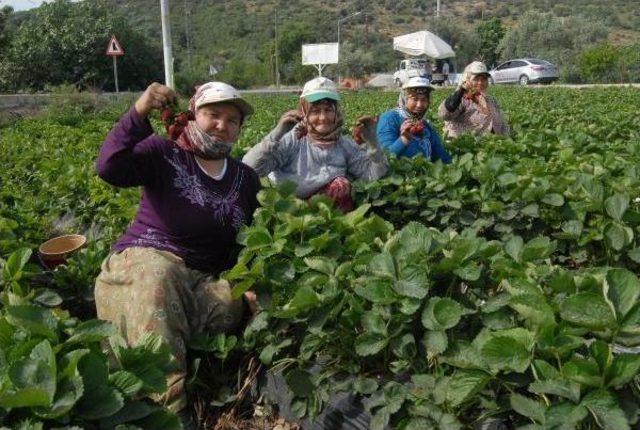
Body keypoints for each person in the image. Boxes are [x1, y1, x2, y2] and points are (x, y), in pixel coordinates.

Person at [94, 81, 260, 424]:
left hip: (199, 281)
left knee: (233, 303)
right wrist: (139, 111)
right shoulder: (163, 152)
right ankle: (165, 412)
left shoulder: (245, 178)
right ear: (192, 115)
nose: (222, 125)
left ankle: (155, 356)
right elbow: (109, 167)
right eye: (213, 114)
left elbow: (252, 239)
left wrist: (252, 280)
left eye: (232, 120)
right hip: (147, 260)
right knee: (158, 280)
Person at [243, 76, 388, 213]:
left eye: (328, 110)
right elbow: (250, 169)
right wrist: (277, 133)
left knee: (341, 185)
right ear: (303, 111)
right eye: (315, 111)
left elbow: (372, 175)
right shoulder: (292, 139)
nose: (323, 118)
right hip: (289, 212)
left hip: (329, 217)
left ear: (336, 111)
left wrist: (373, 143)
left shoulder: (344, 144)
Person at [376, 76, 452, 163]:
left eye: (423, 100)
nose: (419, 105)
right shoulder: (389, 119)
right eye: (414, 99)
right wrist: (403, 139)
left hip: (423, 174)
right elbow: (384, 158)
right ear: (405, 99)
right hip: (399, 175)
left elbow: (441, 155)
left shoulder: (425, 125)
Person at [437, 61, 509, 138]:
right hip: (464, 146)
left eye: (484, 79)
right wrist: (461, 91)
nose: (480, 82)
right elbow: (444, 115)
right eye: (476, 79)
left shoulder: (492, 101)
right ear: (467, 80)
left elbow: (503, 125)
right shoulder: (461, 100)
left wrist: (507, 140)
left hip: (490, 146)